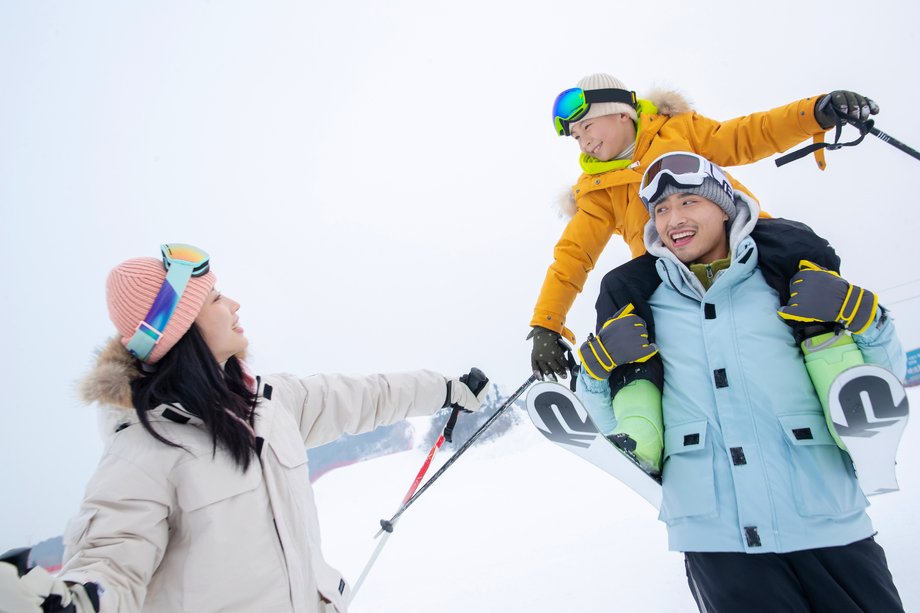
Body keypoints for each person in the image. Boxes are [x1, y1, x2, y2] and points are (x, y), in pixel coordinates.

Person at [0, 244, 490, 613]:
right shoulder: (143, 453)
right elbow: (110, 561)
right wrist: (74, 602)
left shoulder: (270, 404)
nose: (234, 304)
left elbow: (365, 394)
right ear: (180, 330)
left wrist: (445, 389)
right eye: (214, 298)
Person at [575, 153, 906, 611]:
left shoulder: (785, 275)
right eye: (661, 209)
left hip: (828, 519)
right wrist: (593, 372)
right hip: (718, 543)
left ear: (725, 207)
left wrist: (867, 316)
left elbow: (880, 384)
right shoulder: (641, 300)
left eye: (688, 201)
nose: (674, 219)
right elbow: (617, 432)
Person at [529, 72, 880, 382]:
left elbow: (746, 135)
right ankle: (637, 394)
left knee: (798, 242)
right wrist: (547, 323)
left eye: (587, 126)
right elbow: (574, 255)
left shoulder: (678, 131)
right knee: (617, 289)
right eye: (575, 137)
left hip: (734, 236)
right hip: (666, 264)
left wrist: (814, 113)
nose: (583, 141)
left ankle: (827, 350)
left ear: (623, 113)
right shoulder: (596, 190)